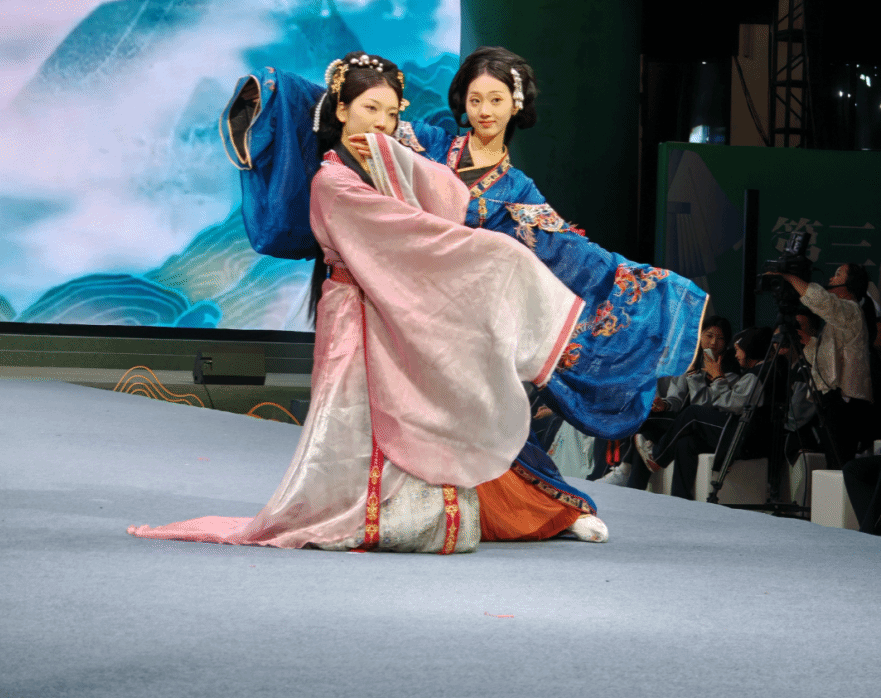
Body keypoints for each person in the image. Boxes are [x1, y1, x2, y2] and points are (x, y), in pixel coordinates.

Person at [131, 52, 607, 553]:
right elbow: (419, 228)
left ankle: (516, 512)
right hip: (368, 310)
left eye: (392, 114)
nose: (382, 124)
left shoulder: (436, 167)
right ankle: (367, 512)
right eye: (476, 99)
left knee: (451, 407)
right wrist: (494, 253)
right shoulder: (359, 171)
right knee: (361, 419)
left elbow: (450, 202)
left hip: (415, 306)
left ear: (517, 106)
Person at [222, 47, 707, 447]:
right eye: (475, 100)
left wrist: (658, 292)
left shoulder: (519, 193)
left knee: (468, 433)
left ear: (516, 104)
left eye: (496, 99)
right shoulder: (426, 142)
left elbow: (576, 257)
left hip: (455, 322)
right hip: (386, 300)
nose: (485, 111)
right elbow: (347, 106)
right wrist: (267, 101)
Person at [622, 317, 740, 492]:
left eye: (720, 338)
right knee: (646, 432)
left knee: (648, 423)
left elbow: (703, 408)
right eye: (709, 335)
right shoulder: (691, 360)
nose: (713, 343)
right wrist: (664, 405)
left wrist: (695, 375)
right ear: (700, 335)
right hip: (682, 422)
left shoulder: (729, 368)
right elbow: (675, 399)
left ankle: (629, 468)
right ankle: (633, 490)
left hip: (702, 426)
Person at [778, 264, 874, 467]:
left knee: (839, 461)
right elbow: (827, 360)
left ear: (850, 284)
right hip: (834, 398)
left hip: (844, 399)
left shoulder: (851, 310)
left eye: (838, 275)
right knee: (835, 460)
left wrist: (790, 277)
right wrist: (808, 342)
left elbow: (822, 301)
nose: (831, 279)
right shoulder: (841, 317)